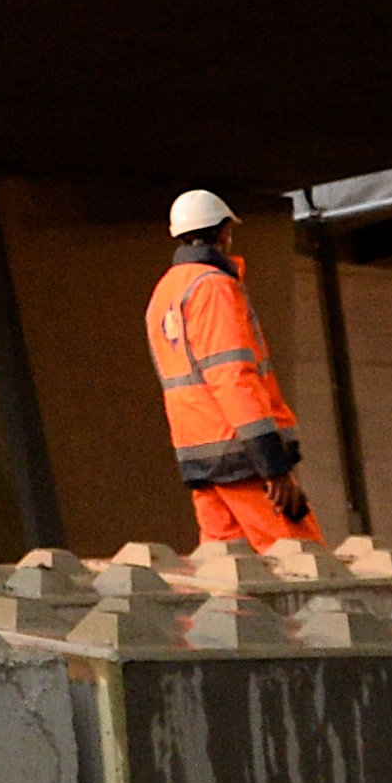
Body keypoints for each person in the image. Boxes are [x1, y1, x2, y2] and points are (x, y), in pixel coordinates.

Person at [146, 186, 316, 549]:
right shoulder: (213, 287)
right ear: (223, 232)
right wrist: (273, 466)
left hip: (200, 457)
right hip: (240, 459)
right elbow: (232, 378)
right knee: (304, 568)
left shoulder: (165, 292)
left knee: (229, 576)